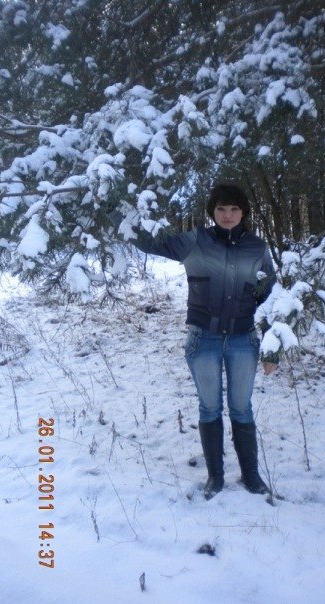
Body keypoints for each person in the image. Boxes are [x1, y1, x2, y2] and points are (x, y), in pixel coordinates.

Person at [110, 183, 277, 499]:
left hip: (243, 340)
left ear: (243, 212)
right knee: (209, 407)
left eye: (234, 209)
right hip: (204, 340)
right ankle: (216, 477)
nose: (227, 215)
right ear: (212, 212)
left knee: (241, 408)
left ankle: (251, 476)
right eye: (221, 209)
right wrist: (113, 207)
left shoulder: (257, 248)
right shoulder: (195, 241)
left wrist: (273, 349)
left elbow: (270, 296)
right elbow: (151, 242)